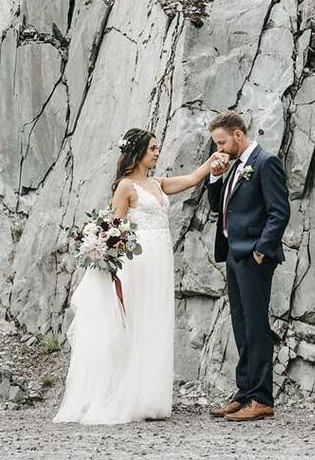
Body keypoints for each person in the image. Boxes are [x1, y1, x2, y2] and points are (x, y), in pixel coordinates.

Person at [53, 128, 223, 424]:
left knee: (155, 321)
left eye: (158, 148)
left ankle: (149, 398)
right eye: (153, 148)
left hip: (161, 261)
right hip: (138, 263)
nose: (158, 152)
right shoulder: (126, 187)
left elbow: (194, 179)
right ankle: (123, 394)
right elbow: (113, 231)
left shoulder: (158, 183)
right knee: (136, 321)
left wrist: (213, 162)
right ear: (139, 152)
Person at [204, 110, 290, 421]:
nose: (220, 149)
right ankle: (245, 392)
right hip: (233, 255)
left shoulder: (265, 163)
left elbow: (279, 212)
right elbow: (217, 206)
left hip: (253, 257)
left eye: (222, 142)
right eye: (217, 144)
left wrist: (260, 251)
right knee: (241, 326)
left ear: (238, 135)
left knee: (256, 326)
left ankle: (262, 398)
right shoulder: (234, 165)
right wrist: (215, 174)